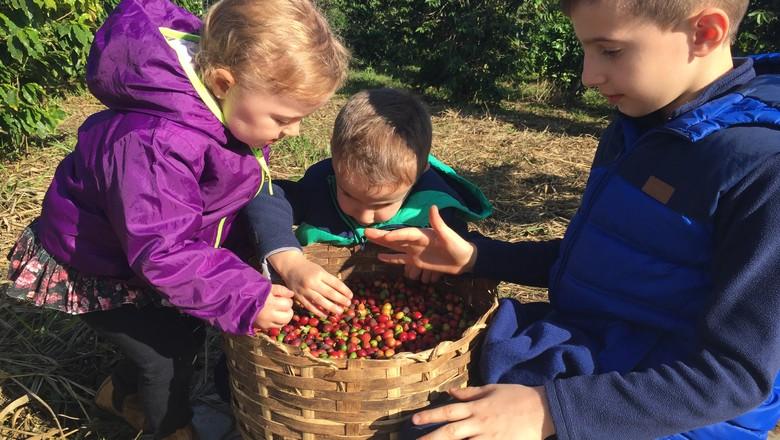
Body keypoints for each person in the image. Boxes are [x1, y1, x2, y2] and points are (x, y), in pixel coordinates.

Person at [366, 1, 780, 438]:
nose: (588, 76)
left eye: (611, 51)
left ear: (705, 33)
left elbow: (736, 377)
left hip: (671, 409)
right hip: (593, 345)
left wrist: (548, 410)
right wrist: (476, 256)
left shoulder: (761, 171)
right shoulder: (637, 125)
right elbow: (598, 259)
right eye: (586, 49)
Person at [3, 0, 349, 438]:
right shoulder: (155, 143)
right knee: (164, 353)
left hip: (144, 254)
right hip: (94, 262)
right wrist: (243, 294)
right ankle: (172, 428)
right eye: (284, 119)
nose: (294, 132)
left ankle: (118, 392)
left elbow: (215, 200)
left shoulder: (223, 113)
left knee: (179, 331)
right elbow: (162, 249)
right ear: (224, 82)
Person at [246, 88, 493, 313]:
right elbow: (264, 196)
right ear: (334, 155)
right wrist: (291, 262)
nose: (364, 216)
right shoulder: (320, 186)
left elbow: (464, 248)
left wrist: (439, 257)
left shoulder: (437, 210)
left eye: (382, 205)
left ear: (420, 172)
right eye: (349, 195)